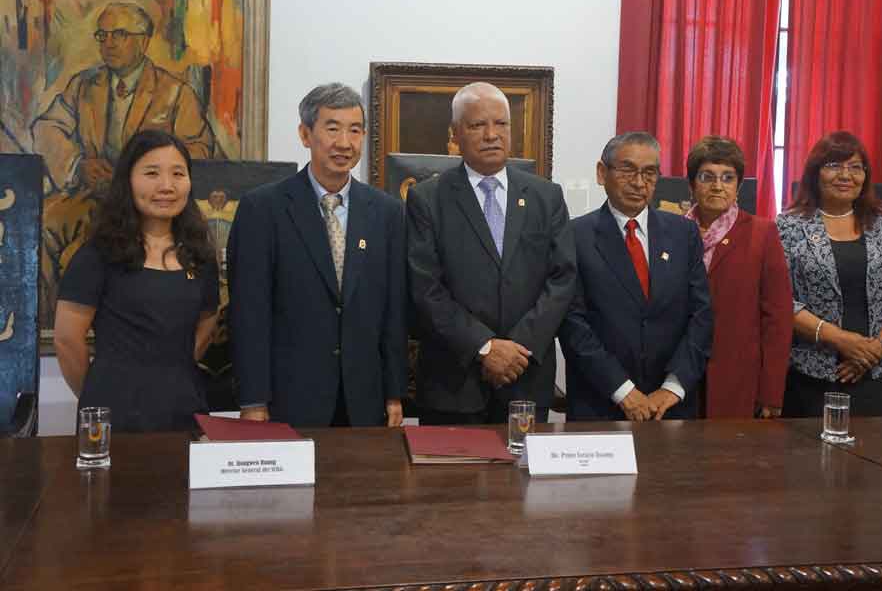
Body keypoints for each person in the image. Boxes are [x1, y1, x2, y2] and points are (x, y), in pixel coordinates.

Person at [227, 83, 407, 428]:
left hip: (364, 399)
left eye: (355, 130)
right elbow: (249, 313)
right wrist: (253, 399)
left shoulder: (386, 212)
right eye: (333, 128)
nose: (345, 143)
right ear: (305, 134)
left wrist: (394, 392)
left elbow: (393, 311)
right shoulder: (263, 208)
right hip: (288, 397)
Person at [33, 2, 216, 324]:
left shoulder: (175, 92)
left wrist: (151, 172)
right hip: (91, 197)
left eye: (119, 34)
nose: (109, 43)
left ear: (143, 41)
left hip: (149, 210)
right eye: (102, 35)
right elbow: (47, 127)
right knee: (44, 222)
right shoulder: (84, 85)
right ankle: (46, 322)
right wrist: (77, 164)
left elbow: (199, 149)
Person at [407, 82, 576, 425]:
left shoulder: (547, 197)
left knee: (522, 463)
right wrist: (485, 347)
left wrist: (516, 349)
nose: (491, 135)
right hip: (453, 385)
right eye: (477, 125)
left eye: (501, 124)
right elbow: (425, 289)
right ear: (455, 134)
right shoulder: (427, 198)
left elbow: (562, 279)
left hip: (525, 378)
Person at [52, 130, 219, 432]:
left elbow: (208, 320)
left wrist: (169, 372)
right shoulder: (98, 255)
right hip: (114, 415)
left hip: (185, 408)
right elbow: (66, 340)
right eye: (152, 173)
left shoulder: (200, 256)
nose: (166, 186)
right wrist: (99, 394)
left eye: (178, 174)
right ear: (127, 180)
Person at [558, 132, 713, 421]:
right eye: (627, 170)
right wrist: (623, 391)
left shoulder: (683, 233)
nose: (639, 183)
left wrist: (672, 387)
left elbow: (701, 315)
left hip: (671, 406)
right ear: (602, 173)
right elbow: (572, 323)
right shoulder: (574, 236)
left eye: (649, 172)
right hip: (601, 404)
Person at [776, 131, 882, 417]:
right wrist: (842, 340)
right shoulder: (788, 226)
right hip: (812, 377)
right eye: (834, 165)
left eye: (856, 167)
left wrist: (876, 349)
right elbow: (780, 300)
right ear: (815, 173)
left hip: (881, 374)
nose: (846, 175)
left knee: (880, 447)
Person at [684, 136, 793, 418]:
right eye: (707, 177)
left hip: (738, 380)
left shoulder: (762, 233)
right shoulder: (673, 232)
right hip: (677, 378)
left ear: (738, 186)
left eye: (727, 178)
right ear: (692, 184)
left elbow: (778, 319)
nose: (717, 186)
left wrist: (771, 391)